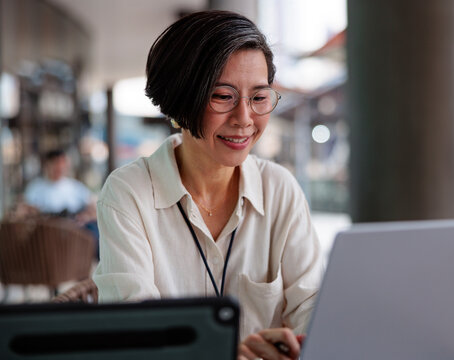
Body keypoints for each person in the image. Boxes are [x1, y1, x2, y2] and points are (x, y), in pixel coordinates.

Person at [93, 10, 324, 360]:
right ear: (180, 100)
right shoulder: (129, 194)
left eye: (259, 97)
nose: (244, 119)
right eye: (222, 96)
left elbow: (312, 310)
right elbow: (135, 335)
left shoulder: (280, 189)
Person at [23, 149, 100, 257]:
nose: (59, 167)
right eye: (55, 163)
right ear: (47, 165)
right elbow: (26, 210)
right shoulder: (36, 187)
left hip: (74, 231)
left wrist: (85, 217)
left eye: (62, 163)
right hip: (47, 233)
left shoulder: (75, 187)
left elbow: (94, 207)